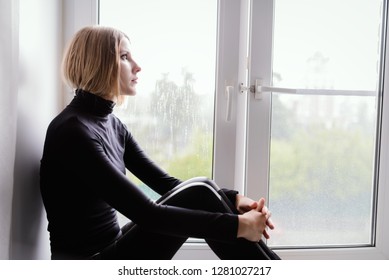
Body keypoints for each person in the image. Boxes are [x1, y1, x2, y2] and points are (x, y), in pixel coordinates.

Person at [40, 25, 280, 260]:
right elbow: (148, 215)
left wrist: (235, 200)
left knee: (199, 188)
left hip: (111, 249)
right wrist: (237, 226)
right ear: (99, 64)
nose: (137, 66)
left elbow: (169, 185)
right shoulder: (73, 132)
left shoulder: (111, 124)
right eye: (125, 57)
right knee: (199, 192)